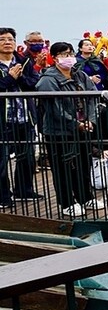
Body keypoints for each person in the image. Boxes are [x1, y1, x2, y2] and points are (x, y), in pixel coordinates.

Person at [36, 42, 102, 217]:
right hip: (58, 131)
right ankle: (66, 202)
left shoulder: (80, 75)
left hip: (83, 129)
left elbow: (93, 97)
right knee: (63, 168)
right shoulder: (48, 79)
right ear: (55, 57)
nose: (69, 57)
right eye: (64, 54)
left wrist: (91, 120)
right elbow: (53, 108)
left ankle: (85, 197)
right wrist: (75, 123)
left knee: (83, 164)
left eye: (70, 53)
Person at [0, 27, 41, 208]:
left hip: (25, 117)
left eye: (10, 39)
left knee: (27, 157)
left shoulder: (24, 62)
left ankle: (24, 190)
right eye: (2, 39)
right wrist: (9, 78)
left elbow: (34, 83)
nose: (7, 42)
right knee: (1, 160)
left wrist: (19, 77)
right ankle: (2, 196)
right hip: (3, 120)